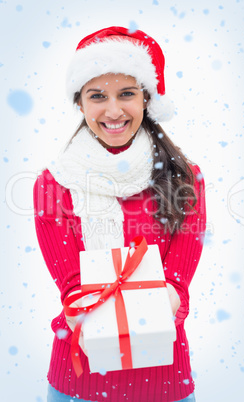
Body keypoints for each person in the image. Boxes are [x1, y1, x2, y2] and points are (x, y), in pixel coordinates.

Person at [33, 26, 206, 402]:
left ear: (146, 99)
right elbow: (73, 285)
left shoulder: (185, 179)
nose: (113, 111)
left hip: (163, 375)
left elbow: (177, 280)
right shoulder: (54, 184)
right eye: (98, 96)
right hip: (80, 376)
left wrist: (158, 310)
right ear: (80, 103)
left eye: (126, 94)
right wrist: (97, 313)